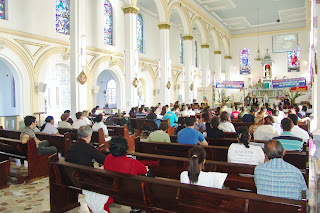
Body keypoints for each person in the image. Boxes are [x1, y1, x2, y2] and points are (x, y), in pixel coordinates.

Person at [65, 126, 110, 213]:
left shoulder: (71, 147)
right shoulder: (89, 148)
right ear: (89, 136)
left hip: (71, 177)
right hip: (86, 178)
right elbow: (103, 160)